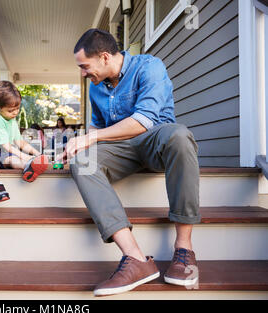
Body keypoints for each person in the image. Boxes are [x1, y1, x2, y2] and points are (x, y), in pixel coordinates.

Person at [61, 29, 201, 296]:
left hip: (156, 140)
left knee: (181, 136)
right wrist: (79, 146)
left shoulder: (149, 67)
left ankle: (184, 248)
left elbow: (144, 121)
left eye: (84, 66)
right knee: (84, 161)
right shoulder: (95, 87)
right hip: (120, 150)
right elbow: (98, 127)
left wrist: (92, 138)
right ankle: (135, 258)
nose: (82, 73)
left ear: (104, 57)